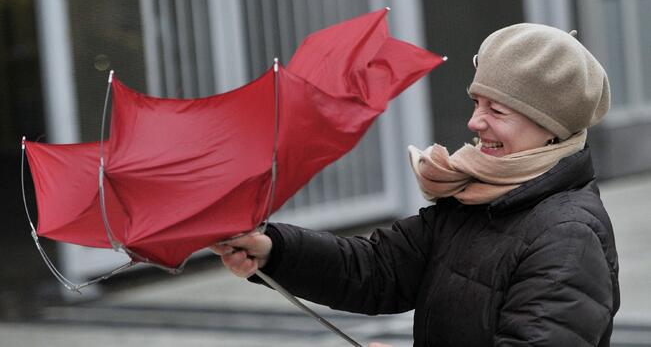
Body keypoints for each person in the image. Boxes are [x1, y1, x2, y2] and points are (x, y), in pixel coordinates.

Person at [211, 23, 619, 346]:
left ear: (551, 128)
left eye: (497, 110)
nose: (475, 123)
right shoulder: (476, 195)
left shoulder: (569, 237)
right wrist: (273, 250)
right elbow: (376, 269)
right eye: (476, 103)